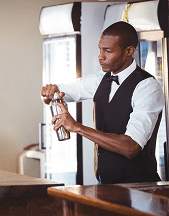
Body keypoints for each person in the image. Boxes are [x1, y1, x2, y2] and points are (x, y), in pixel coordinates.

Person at [41, 21, 165, 184]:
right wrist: (48, 93)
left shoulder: (147, 87)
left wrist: (77, 127)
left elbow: (131, 147)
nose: (100, 56)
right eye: (100, 49)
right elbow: (57, 92)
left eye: (108, 51)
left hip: (140, 186)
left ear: (129, 51)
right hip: (106, 183)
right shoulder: (100, 79)